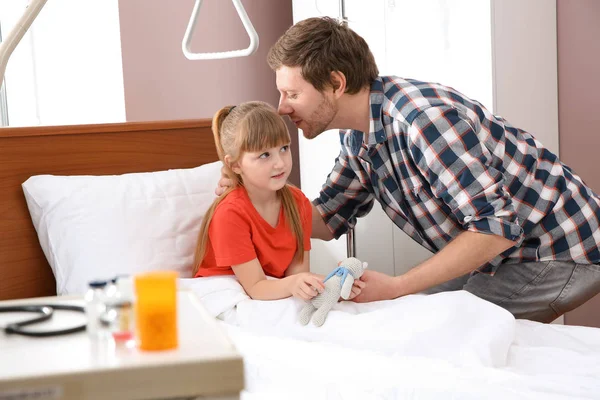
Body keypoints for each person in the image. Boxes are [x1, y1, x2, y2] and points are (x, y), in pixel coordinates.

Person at [219, 17, 600, 323]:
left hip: (556, 249)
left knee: (440, 332)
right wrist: (253, 195)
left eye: (292, 94)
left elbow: (495, 227)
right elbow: (323, 218)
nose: (282, 108)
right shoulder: (358, 136)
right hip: (504, 251)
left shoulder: (422, 120)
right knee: (405, 318)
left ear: (336, 83)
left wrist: (399, 284)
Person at [194, 101, 328, 300]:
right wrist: (295, 283)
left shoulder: (298, 202)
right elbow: (256, 287)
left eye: (284, 148)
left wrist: (332, 286)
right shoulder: (230, 214)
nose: (280, 163)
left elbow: (297, 278)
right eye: (264, 155)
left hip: (272, 293)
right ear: (235, 165)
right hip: (227, 294)